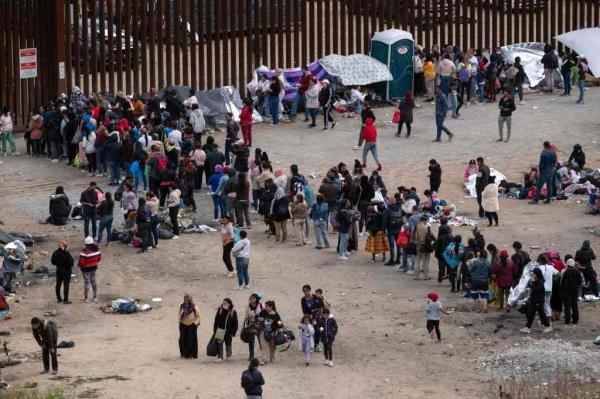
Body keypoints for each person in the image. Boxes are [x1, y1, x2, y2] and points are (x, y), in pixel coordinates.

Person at [520, 268, 552, 333]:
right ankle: (527, 327)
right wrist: (531, 282)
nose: (533, 274)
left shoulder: (541, 282)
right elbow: (531, 287)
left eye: (534, 273)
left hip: (538, 301)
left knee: (541, 314)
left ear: (537, 274)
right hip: (534, 300)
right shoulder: (537, 280)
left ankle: (548, 326)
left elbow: (536, 290)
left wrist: (533, 282)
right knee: (531, 314)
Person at [213, 298, 239, 362]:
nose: (224, 304)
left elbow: (235, 323)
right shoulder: (220, 310)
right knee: (219, 344)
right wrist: (215, 330)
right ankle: (220, 356)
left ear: (229, 304)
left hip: (228, 331)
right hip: (220, 330)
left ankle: (228, 356)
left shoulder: (233, 312)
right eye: (223, 303)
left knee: (228, 344)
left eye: (226, 303)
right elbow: (216, 321)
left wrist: (233, 332)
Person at [258, 300, 282, 365]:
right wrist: (259, 319)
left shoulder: (276, 315)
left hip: (273, 333)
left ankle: (272, 357)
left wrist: (280, 326)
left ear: (271, 307)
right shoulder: (263, 312)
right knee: (264, 346)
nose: (265, 308)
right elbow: (258, 317)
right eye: (265, 306)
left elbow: (280, 322)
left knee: (272, 346)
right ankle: (264, 359)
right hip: (264, 332)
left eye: (266, 307)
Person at [77, 236, 101, 303]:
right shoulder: (97, 250)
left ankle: (86, 298)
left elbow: (82, 262)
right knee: (93, 281)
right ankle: (95, 297)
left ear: (86, 244)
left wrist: (80, 266)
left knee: (87, 283)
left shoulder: (84, 252)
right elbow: (99, 259)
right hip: (93, 268)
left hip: (85, 270)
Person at [51, 240, 74, 304]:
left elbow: (53, 262)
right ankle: (65, 300)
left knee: (58, 284)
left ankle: (59, 299)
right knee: (66, 285)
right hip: (66, 271)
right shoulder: (67, 253)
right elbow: (71, 263)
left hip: (59, 270)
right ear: (65, 246)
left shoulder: (55, 253)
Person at [561, 258, 583, 325]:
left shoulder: (566, 273)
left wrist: (562, 291)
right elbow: (580, 281)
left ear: (567, 265)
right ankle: (575, 320)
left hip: (567, 292)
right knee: (574, 306)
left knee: (567, 307)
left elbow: (563, 284)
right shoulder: (577, 271)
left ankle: (567, 321)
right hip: (575, 291)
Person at [179, 295, 201, 359]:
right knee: (182, 339)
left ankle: (190, 354)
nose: (186, 301)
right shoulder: (182, 306)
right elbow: (179, 314)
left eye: (188, 300)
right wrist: (179, 322)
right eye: (185, 300)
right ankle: (183, 353)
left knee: (191, 340)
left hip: (192, 324)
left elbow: (199, 316)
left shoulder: (194, 307)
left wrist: (195, 323)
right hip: (183, 324)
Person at [245, 294, 263, 360]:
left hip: (260, 324)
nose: (252, 300)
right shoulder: (248, 307)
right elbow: (246, 316)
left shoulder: (261, 305)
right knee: (251, 341)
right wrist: (247, 324)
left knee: (261, 340)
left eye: (253, 298)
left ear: (257, 299)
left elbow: (264, 314)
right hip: (251, 325)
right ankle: (251, 355)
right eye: (251, 298)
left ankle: (263, 355)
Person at [434, 217, 453, 283]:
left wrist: (436, 254)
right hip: (448, 254)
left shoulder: (440, 238)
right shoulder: (451, 236)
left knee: (441, 268)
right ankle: (451, 280)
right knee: (450, 267)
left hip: (441, 255)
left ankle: (440, 278)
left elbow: (437, 247)